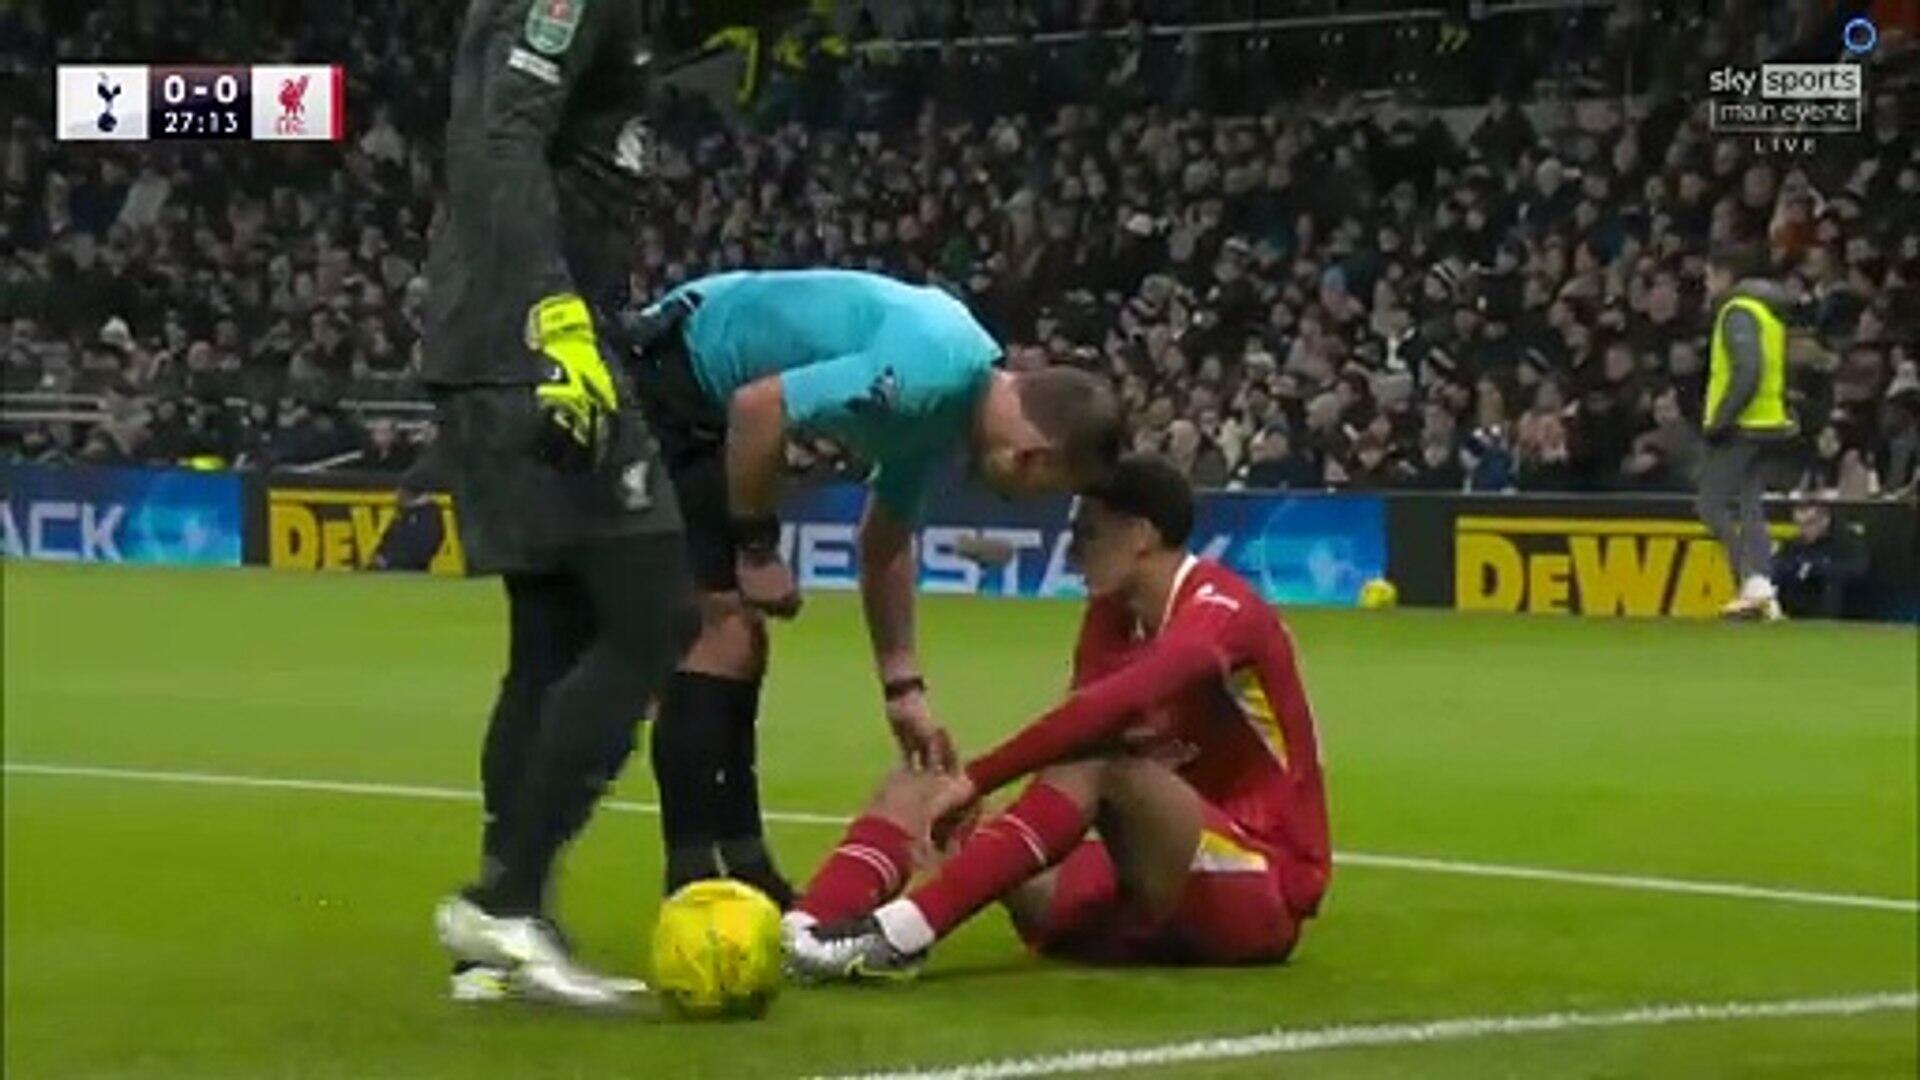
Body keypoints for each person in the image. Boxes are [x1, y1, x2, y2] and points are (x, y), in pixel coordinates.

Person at [622, 268, 1125, 907]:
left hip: (699, 383)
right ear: (1033, 457)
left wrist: (902, 686)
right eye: (1045, 490)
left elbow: (884, 545)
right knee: (721, 634)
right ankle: (694, 881)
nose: (1026, 502)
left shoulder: (942, 409)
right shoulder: (928, 374)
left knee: (739, 641)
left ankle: (741, 868)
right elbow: (759, 407)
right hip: (675, 372)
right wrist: (756, 547)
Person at [784, 455, 1331, 977]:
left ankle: (896, 938)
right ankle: (801, 935)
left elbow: (1103, 718)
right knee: (922, 780)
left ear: (1140, 535)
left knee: (1092, 759)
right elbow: (1077, 740)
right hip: (1143, 879)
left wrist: (978, 779)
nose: (1071, 555)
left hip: (1260, 883)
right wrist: (969, 814)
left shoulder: (1224, 610)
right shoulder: (1112, 616)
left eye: (1086, 534)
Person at [421, 0, 697, 1009]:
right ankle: (507, 900)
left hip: (508, 343)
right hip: (534, 348)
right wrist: (555, 315)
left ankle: (499, 935)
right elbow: (500, 136)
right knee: (653, 613)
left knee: (551, 638)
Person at [1696, 244, 1796, 620]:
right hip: (1769, 422)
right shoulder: (1768, 314)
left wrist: (1721, 419)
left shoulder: (1736, 312)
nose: (1707, 286)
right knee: (1750, 505)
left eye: (1709, 277)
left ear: (1725, 275)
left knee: (1711, 504)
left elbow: (1747, 371)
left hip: (1743, 425)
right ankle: (1764, 589)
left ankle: (1751, 581)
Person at [1772, 502, 1870, 620]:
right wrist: (1794, 569)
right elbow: (1775, 570)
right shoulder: (1793, 545)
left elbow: (1858, 570)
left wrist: (1816, 568)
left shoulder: (1846, 541)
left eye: (1809, 523)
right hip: (1796, 610)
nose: (1803, 530)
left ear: (1825, 520)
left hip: (1839, 609)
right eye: (1799, 524)